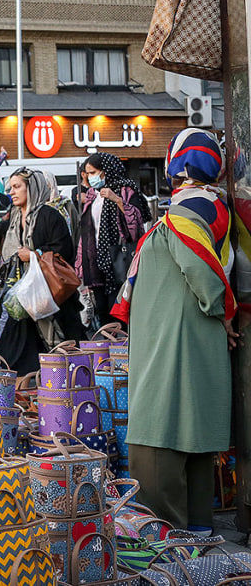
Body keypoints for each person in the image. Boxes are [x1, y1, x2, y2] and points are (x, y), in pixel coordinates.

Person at [116, 128, 234, 534]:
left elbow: (203, 270)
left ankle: (168, 549)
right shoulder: (203, 205)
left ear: (178, 165)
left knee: (159, 437)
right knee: (192, 434)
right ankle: (195, 544)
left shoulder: (190, 209)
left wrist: (222, 309)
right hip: (185, 335)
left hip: (173, 339)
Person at [0, 169, 84, 373]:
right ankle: (14, 385)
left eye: (17, 187)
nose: (12, 192)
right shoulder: (16, 216)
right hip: (23, 291)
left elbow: (64, 251)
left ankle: (66, 384)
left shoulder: (50, 216)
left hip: (49, 292)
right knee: (15, 343)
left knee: (60, 342)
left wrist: (34, 254)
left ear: (32, 188)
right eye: (11, 188)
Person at [76, 152, 149, 327]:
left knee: (119, 308)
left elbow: (137, 221)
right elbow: (86, 230)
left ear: (106, 171)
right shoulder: (93, 195)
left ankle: (123, 350)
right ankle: (108, 350)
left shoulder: (126, 190)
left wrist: (116, 200)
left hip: (120, 260)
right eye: (88, 173)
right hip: (96, 261)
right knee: (102, 310)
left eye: (93, 172)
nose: (91, 178)